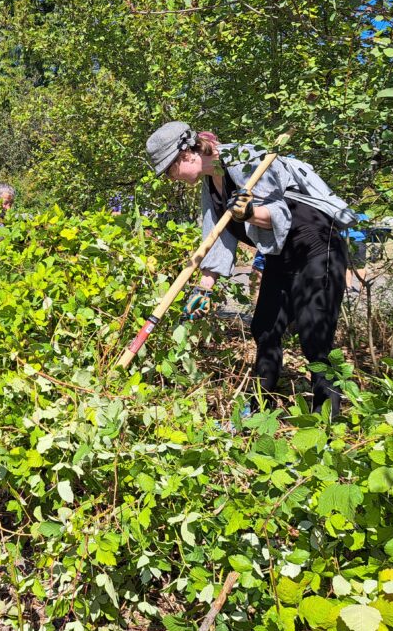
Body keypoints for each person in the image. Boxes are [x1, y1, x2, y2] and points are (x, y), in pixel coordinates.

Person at [147, 121, 348, 416]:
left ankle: (327, 423)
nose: (171, 178)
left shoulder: (245, 160)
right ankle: (257, 410)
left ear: (186, 155)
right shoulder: (210, 179)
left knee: (314, 336)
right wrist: (204, 286)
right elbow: (217, 233)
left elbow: (279, 214)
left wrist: (252, 212)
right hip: (281, 255)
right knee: (264, 329)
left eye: (170, 171)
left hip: (317, 247)